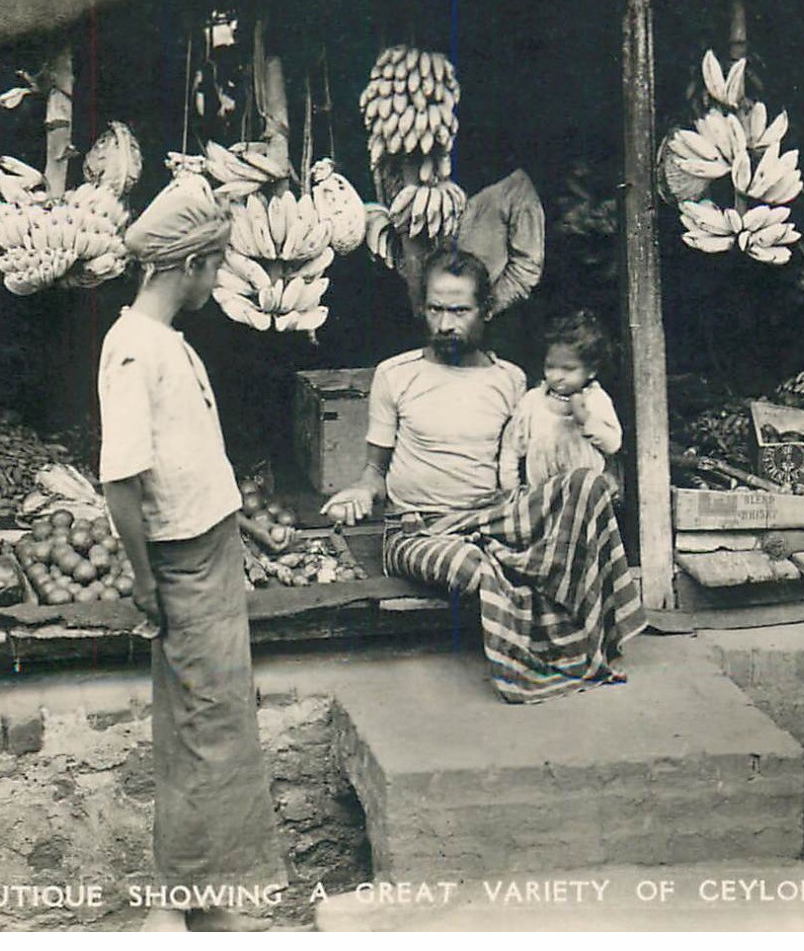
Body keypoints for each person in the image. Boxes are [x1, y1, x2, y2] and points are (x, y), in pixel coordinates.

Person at [320, 248, 646, 704]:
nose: (445, 323)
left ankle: (567, 617)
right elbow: (375, 470)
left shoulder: (511, 380)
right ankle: (551, 638)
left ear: (486, 311)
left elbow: (529, 455)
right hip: (419, 531)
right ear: (422, 308)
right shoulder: (395, 375)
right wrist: (360, 489)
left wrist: (587, 448)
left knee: (585, 487)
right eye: (435, 309)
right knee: (475, 568)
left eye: (459, 310)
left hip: (495, 519)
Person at [98, 176, 285, 933]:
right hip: (180, 564)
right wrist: (145, 583)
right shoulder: (133, 353)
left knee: (215, 721)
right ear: (191, 264)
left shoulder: (164, 343)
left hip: (209, 549)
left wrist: (252, 526)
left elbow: (187, 457)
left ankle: (201, 895)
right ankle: (193, 903)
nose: (217, 280)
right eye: (215, 266)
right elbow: (120, 483)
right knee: (206, 727)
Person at [498, 309, 623, 496]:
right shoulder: (533, 401)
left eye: (568, 369)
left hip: (585, 498)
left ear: (591, 370)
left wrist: (586, 420)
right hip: (542, 497)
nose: (557, 376)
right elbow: (511, 448)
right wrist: (512, 493)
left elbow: (613, 444)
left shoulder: (595, 400)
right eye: (550, 367)